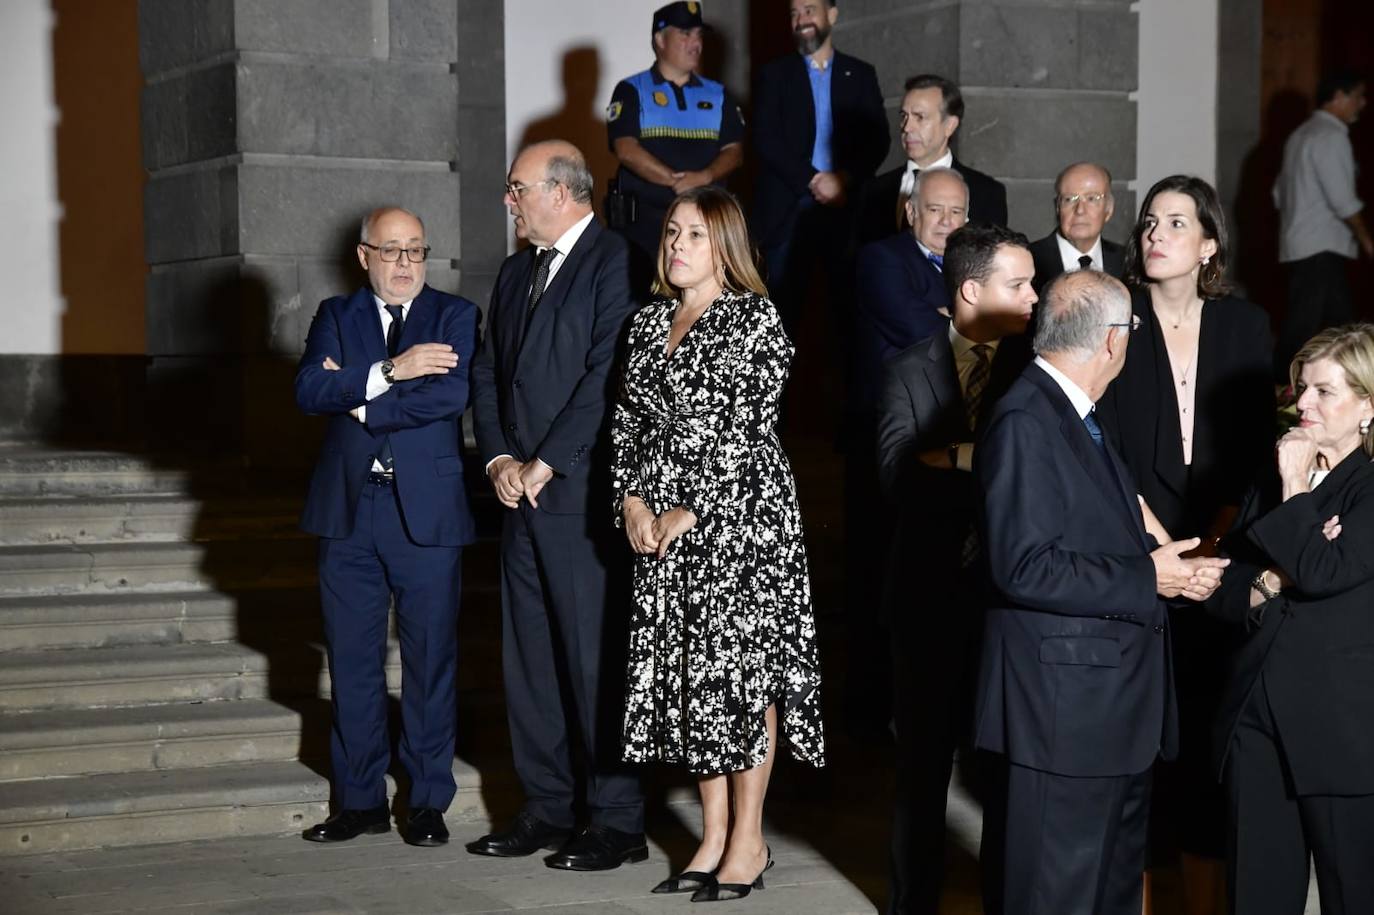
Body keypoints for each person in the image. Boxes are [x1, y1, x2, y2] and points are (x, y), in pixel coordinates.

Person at [973, 269, 1230, 915]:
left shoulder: (1076, 416)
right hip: (1063, 718)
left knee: (1109, 894)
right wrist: (1150, 576)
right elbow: (1023, 565)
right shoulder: (1026, 419)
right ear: (1114, 340)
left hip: (1108, 713)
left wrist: (1168, 565)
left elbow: (1098, 540)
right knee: (1052, 897)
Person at [611, 185, 824, 902]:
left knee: (741, 677)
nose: (677, 245)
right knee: (692, 680)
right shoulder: (645, 326)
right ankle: (711, 834)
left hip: (740, 523)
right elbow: (628, 429)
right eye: (672, 232)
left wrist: (687, 510)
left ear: (725, 247)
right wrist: (634, 500)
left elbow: (746, 432)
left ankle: (749, 838)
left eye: (695, 235)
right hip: (664, 527)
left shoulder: (755, 320)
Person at [1095, 174, 1275, 915]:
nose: (1155, 233)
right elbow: (1102, 450)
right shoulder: (1116, 317)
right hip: (1138, 549)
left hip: (1222, 552)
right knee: (1137, 751)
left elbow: (1260, 449)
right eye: (1148, 222)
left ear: (1208, 243)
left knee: (1207, 747)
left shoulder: (1246, 326)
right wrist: (1164, 549)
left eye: (1176, 222)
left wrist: (1213, 551)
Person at [467, 140, 645, 870]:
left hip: (582, 498)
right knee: (530, 661)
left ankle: (618, 818)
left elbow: (610, 373)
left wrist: (548, 460)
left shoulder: (616, 261)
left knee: (594, 661)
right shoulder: (514, 272)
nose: (508, 201)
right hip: (520, 497)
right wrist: (501, 456)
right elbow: (487, 371)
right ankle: (545, 807)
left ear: (563, 191)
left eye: (517, 188)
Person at [294, 207, 478, 847]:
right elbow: (307, 392)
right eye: (391, 250)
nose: (405, 263)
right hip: (348, 513)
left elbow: (450, 397)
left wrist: (355, 396)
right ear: (363, 255)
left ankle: (427, 803)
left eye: (417, 250)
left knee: (431, 662)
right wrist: (394, 370)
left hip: (426, 513)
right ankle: (360, 801)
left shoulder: (454, 316)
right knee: (352, 663)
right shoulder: (335, 316)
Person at [876, 222, 1037, 915]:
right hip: (927, 601)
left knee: (1005, 775)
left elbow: (1041, 480)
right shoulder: (906, 369)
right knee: (920, 776)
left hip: (1011, 601)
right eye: (1020, 283)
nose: (1035, 296)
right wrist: (990, 461)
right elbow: (895, 475)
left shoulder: (1037, 368)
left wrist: (949, 456)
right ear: (972, 290)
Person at [1207, 324, 1374, 914]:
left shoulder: (1357, 483)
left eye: (1323, 392)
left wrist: (1296, 489)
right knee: (1256, 897)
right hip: (1256, 719)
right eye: (1300, 389)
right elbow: (1225, 581)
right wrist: (1270, 579)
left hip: (1343, 735)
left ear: (1368, 406)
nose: (1301, 404)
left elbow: (1327, 573)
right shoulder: (1276, 467)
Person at [842, 165, 969, 742]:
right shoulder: (880, 260)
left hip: (956, 440)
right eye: (935, 210)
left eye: (957, 212)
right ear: (911, 212)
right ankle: (878, 716)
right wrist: (963, 320)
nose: (945, 222)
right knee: (884, 577)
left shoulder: (968, 266)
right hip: (892, 438)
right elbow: (924, 330)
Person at [752, 0, 888, 336]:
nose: (801, 20)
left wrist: (842, 180)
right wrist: (814, 180)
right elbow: (765, 138)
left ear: (832, 14)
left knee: (848, 317)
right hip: (789, 210)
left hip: (847, 212)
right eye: (794, 14)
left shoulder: (860, 74)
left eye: (809, 10)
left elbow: (878, 140)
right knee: (781, 320)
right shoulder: (774, 74)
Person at [606, 1, 746, 285]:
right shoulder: (632, 90)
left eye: (698, 35)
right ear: (659, 40)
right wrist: (675, 181)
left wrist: (703, 177)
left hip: (706, 230)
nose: (695, 43)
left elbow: (735, 152)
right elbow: (626, 149)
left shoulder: (719, 94)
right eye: (684, 34)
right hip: (645, 230)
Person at [1272, 69, 1372, 376]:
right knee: (1310, 328)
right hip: (1322, 247)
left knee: (1332, 324)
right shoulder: (1331, 136)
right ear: (1339, 97)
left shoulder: (1300, 135)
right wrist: (1367, 240)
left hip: (1301, 245)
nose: (1362, 103)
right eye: (1358, 96)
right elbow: (1343, 199)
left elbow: (1278, 193)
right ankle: (1277, 392)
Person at [856, 73, 1007, 245]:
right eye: (904, 116)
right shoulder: (873, 191)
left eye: (919, 117)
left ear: (949, 126)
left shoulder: (986, 193)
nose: (907, 127)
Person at [1029, 161, 1126, 295]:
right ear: (1057, 208)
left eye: (1092, 198)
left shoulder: (1128, 262)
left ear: (1108, 209)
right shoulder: (1030, 260)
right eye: (1069, 199)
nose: (1080, 210)